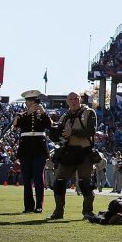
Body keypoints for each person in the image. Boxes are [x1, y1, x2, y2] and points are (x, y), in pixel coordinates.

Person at [48, 91, 98, 220]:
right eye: (71, 99)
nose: (74, 101)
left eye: (76, 98)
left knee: (85, 183)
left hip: (85, 152)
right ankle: (58, 212)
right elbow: (59, 136)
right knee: (58, 182)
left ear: (80, 99)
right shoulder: (64, 117)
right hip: (68, 152)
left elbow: (91, 131)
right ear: (67, 101)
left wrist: (72, 132)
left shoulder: (89, 112)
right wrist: (55, 134)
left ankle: (88, 212)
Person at [9, 90, 52, 213]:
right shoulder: (21, 114)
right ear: (26, 102)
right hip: (26, 149)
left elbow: (50, 125)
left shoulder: (42, 114)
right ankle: (28, 206)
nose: (33, 103)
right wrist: (28, 113)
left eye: (35, 101)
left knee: (39, 177)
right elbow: (16, 125)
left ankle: (39, 205)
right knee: (26, 179)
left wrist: (43, 113)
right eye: (30, 101)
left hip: (39, 149)